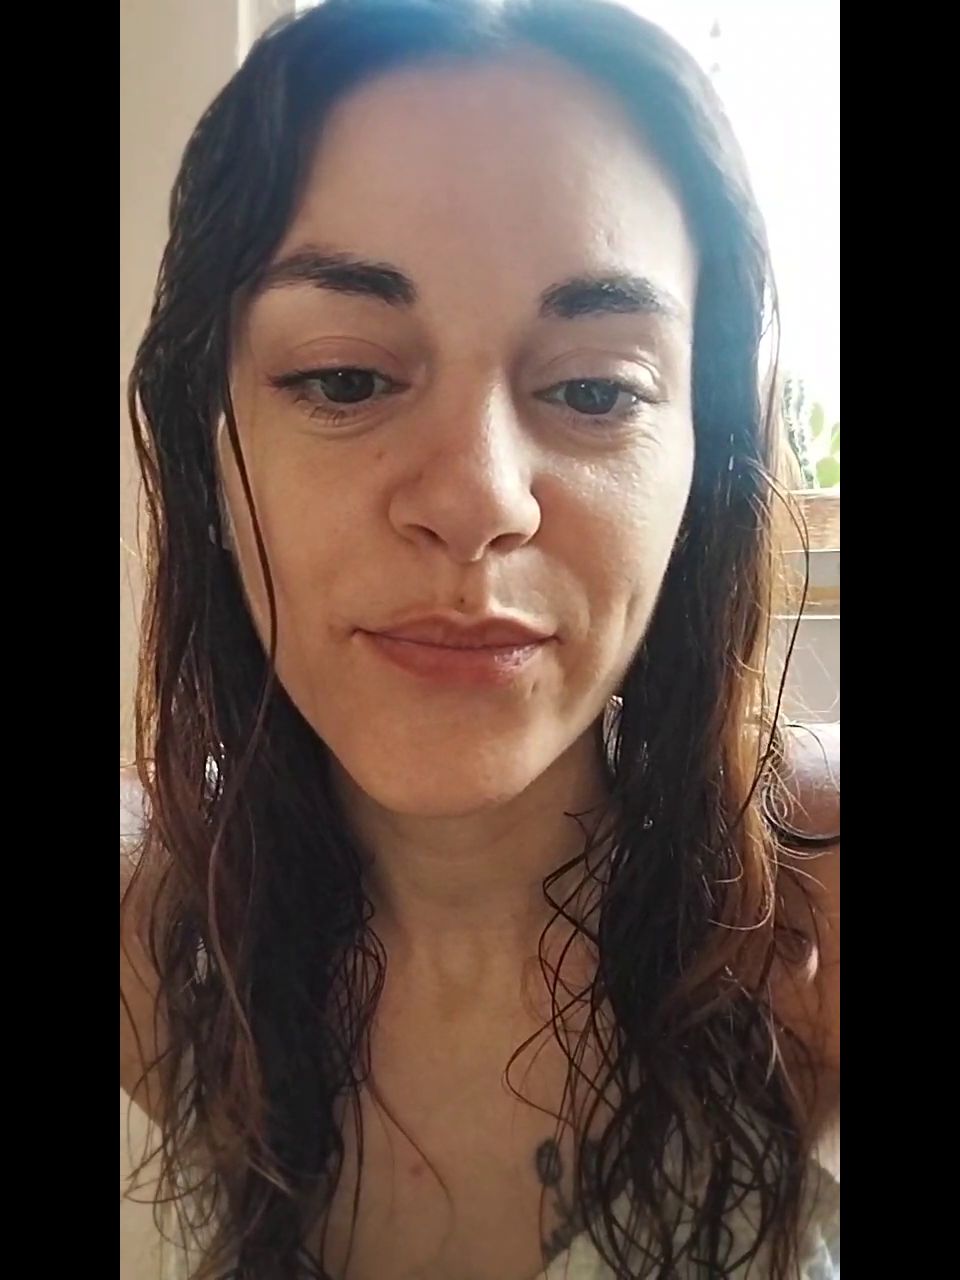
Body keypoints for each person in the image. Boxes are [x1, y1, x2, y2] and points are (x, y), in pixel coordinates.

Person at [119, 2, 840, 1277]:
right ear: (212, 448)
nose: (476, 498)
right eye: (345, 378)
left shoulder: (816, 939)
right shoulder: (148, 946)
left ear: (704, 469)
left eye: (596, 389)